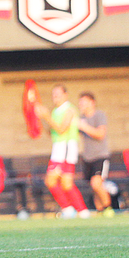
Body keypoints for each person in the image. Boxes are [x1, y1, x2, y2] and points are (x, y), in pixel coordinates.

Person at [35, 84, 89, 219]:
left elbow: (61, 129)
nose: (55, 97)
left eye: (58, 94)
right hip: (58, 149)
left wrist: (46, 116)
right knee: (60, 183)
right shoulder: (55, 111)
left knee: (58, 182)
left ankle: (76, 210)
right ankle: (76, 210)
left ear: (66, 95)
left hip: (66, 149)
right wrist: (39, 120)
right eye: (54, 95)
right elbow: (52, 132)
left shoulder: (70, 110)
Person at [78, 92, 113, 216]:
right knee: (94, 187)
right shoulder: (81, 118)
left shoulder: (99, 115)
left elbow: (100, 134)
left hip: (100, 156)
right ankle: (100, 211)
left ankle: (108, 208)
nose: (81, 104)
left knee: (96, 183)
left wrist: (84, 126)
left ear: (92, 102)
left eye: (84, 101)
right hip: (88, 157)